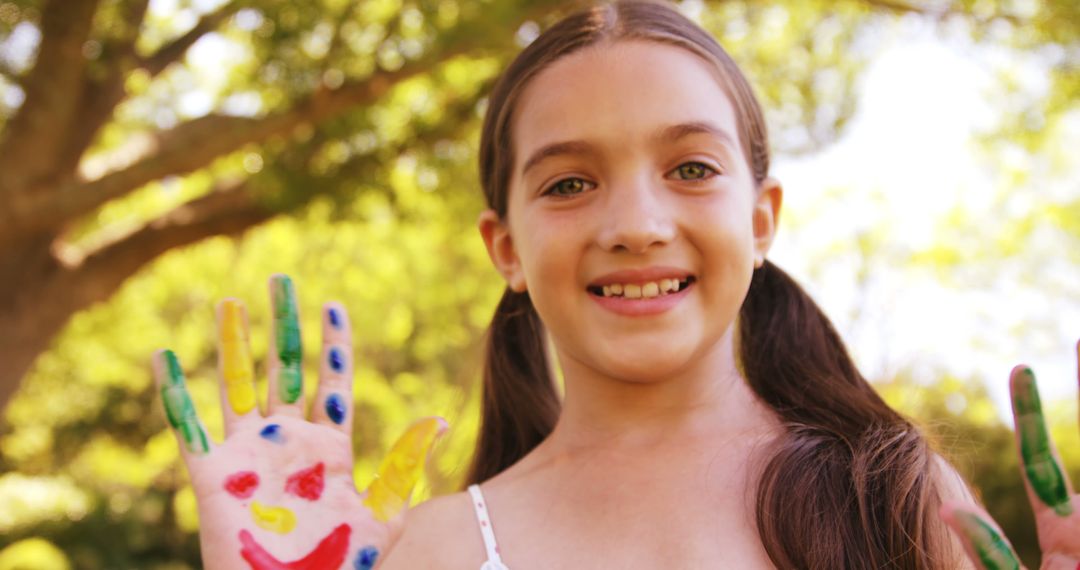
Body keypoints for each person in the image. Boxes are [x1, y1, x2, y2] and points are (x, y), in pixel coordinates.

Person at [157, 1, 1078, 568]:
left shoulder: (893, 495)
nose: (636, 223)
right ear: (505, 246)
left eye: (690, 168)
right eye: (568, 183)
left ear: (761, 220)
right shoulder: (428, 551)